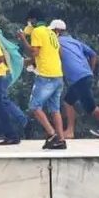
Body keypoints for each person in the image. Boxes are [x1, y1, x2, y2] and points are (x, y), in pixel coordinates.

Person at [49, 19, 99, 138]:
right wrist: (90, 71)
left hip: (78, 78)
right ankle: (70, 131)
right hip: (85, 76)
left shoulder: (56, 42)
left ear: (57, 31)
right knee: (68, 101)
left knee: (92, 109)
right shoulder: (75, 42)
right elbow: (93, 55)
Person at [17, 9, 66, 150]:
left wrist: (23, 38)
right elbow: (60, 53)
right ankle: (61, 140)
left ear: (33, 20)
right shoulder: (51, 33)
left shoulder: (37, 31)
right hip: (58, 74)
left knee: (35, 106)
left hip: (46, 75)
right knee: (55, 109)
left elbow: (35, 51)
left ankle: (52, 135)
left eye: (30, 21)